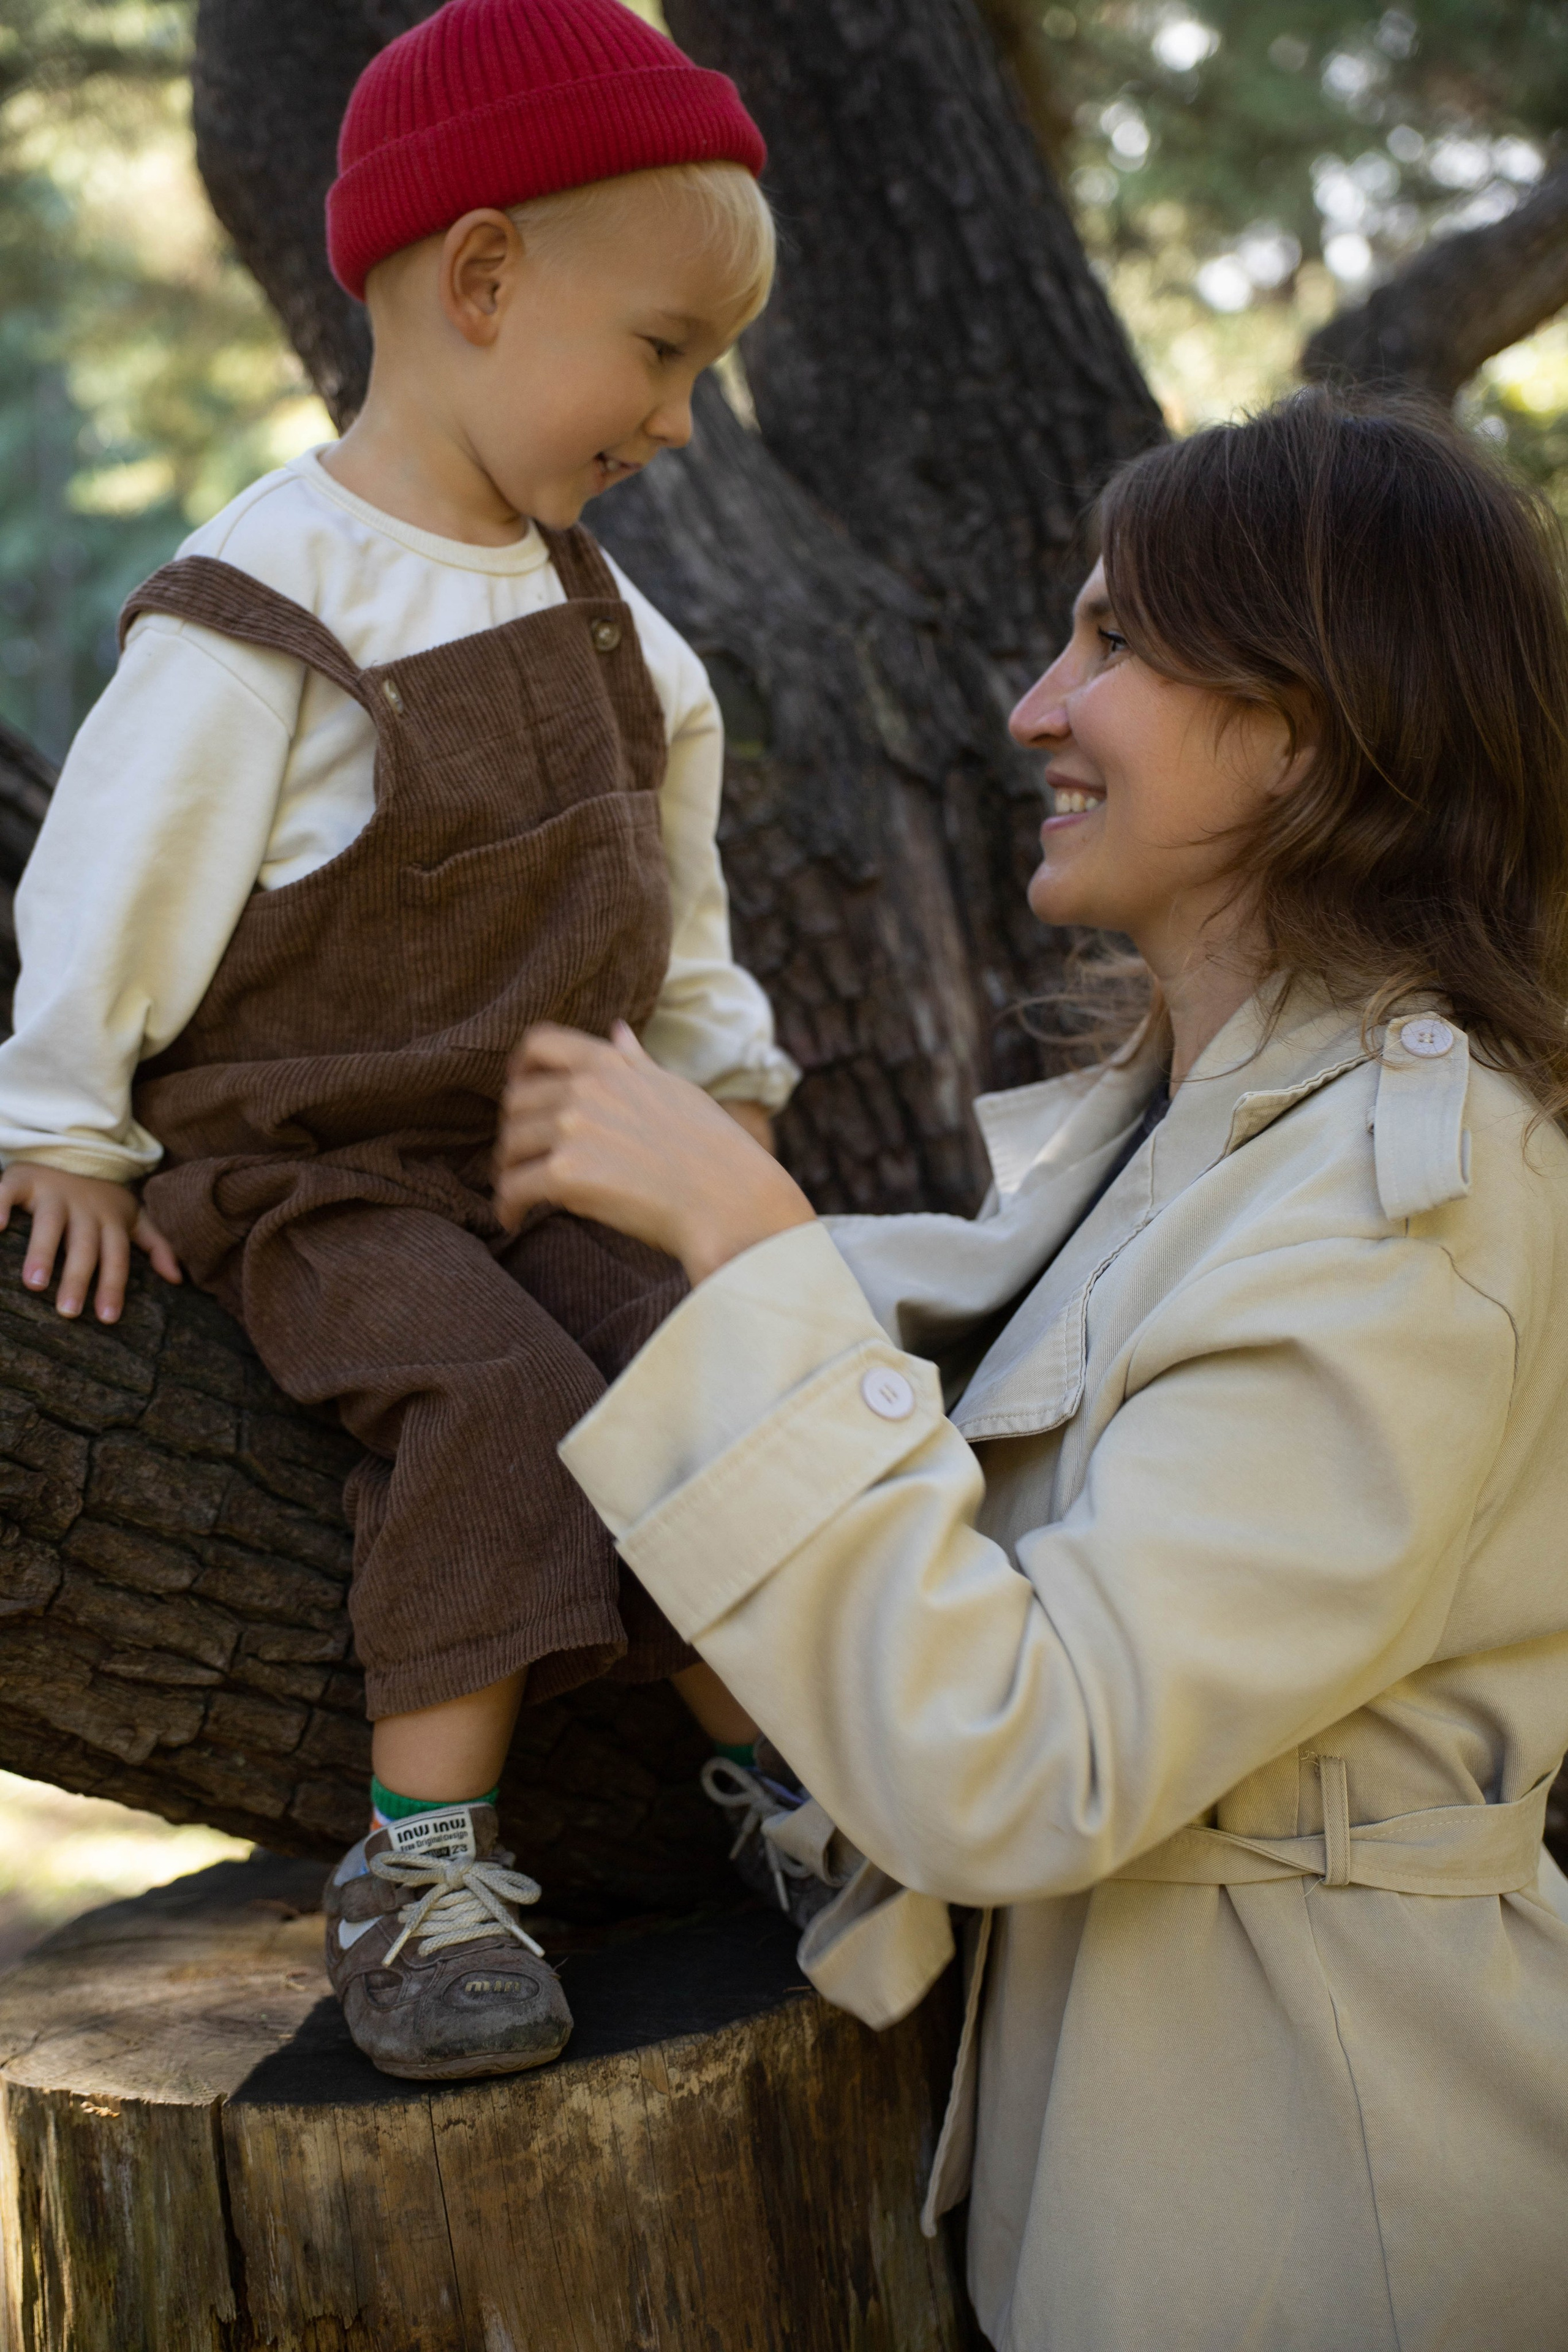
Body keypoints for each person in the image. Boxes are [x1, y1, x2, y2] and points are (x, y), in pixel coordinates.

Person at [495, 391, 1568, 2349]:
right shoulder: (1206, 1134)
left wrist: (748, 1246)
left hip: (1327, 2221)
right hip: (1163, 2171)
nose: (1032, 710)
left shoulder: (1404, 1201)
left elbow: (1029, 1760)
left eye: (1115, 642)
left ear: (1304, 726)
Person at [0, 0, 796, 2081]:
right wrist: (65, 1125)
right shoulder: (266, 606)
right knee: (499, 1399)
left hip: (546, 1149)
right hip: (320, 1170)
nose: (679, 421)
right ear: (484, 277)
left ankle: (787, 1783)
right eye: (663, 352)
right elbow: (111, 879)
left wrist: (722, 1097)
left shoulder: (619, 625)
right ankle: (423, 1865)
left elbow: (677, 894)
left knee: (694, 1376)